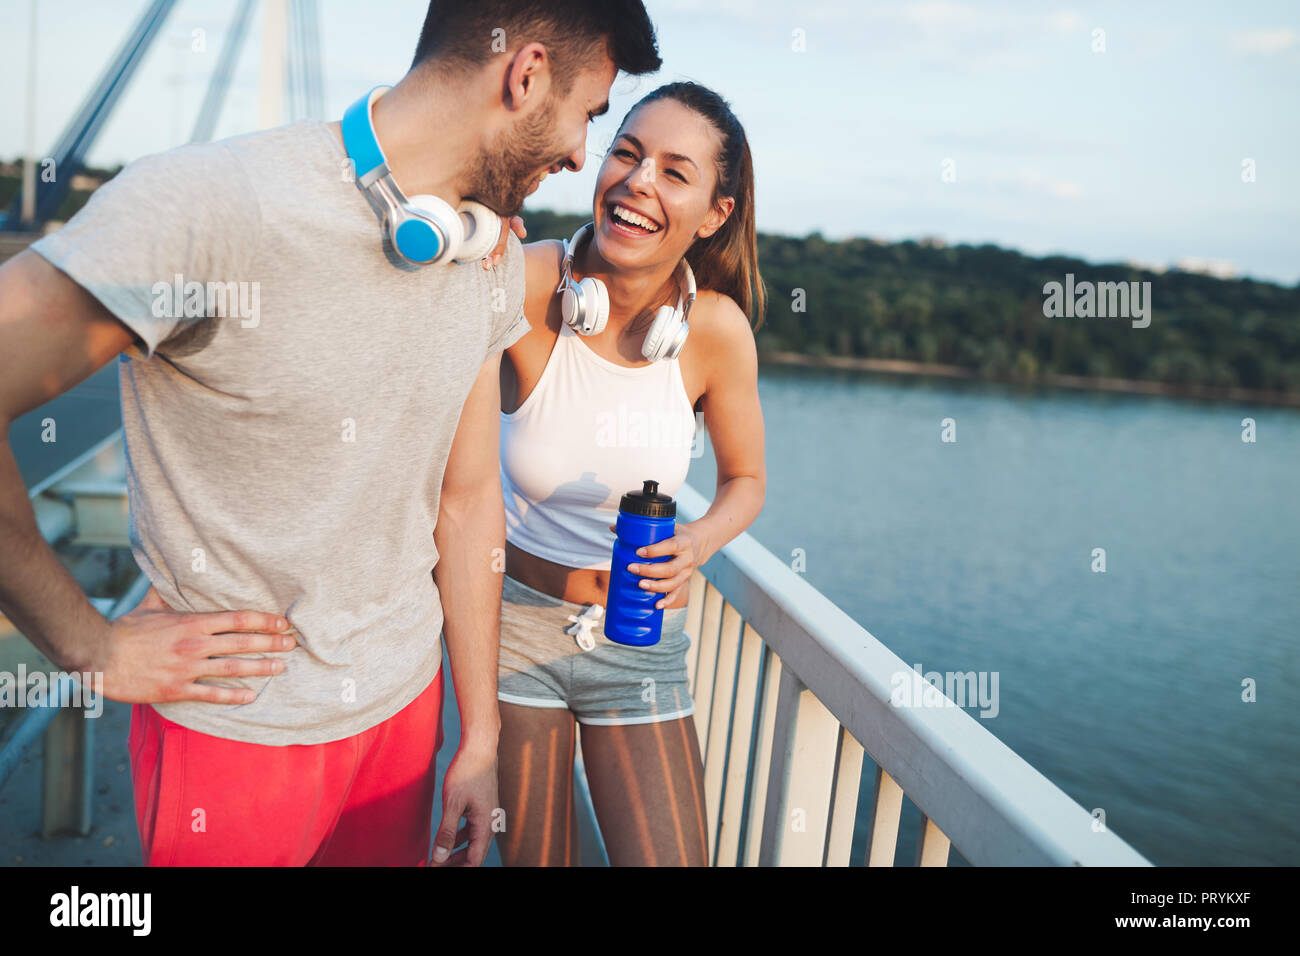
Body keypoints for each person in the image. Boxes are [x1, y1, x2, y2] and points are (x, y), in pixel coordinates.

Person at [0, 0, 660, 866]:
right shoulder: (213, 207)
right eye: (589, 113)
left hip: (402, 717)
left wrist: (481, 739)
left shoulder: (486, 258)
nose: (582, 153)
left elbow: (464, 506)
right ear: (525, 74)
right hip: (237, 726)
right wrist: (91, 648)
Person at [496, 82, 767, 865]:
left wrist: (699, 542)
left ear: (714, 213)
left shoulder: (715, 330)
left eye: (675, 172)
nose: (640, 180)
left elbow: (745, 480)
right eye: (626, 151)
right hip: (516, 629)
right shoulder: (530, 283)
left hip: (639, 641)